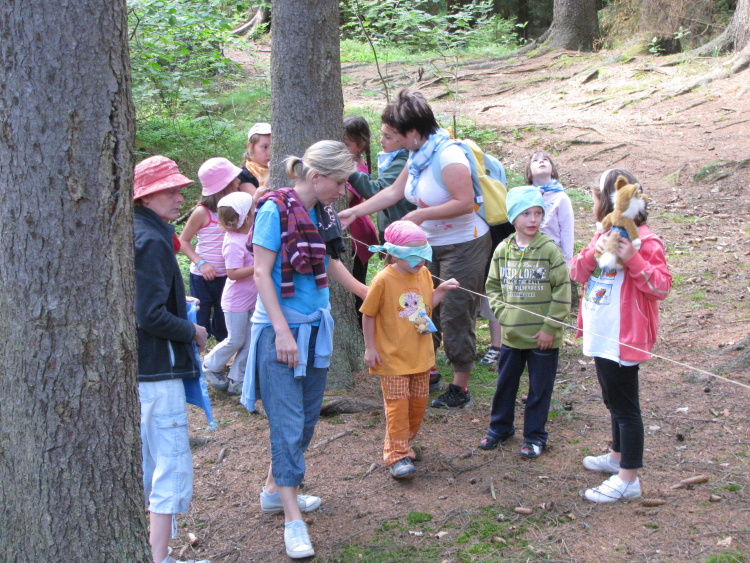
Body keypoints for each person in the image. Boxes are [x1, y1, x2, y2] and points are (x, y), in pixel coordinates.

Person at [240, 141, 367, 559]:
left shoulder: (321, 213)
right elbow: (261, 273)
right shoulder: (274, 210)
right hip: (280, 332)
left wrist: (367, 293)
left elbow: (329, 262)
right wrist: (281, 332)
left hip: (315, 330)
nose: (343, 191)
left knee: (307, 420)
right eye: (340, 182)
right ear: (315, 177)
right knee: (288, 424)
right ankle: (292, 520)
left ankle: (274, 492)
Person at [340, 88, 491, 409]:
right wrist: (354, 212)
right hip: (426, 246)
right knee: (418, 307)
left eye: (392, 134)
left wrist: (422, 214)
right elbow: (393, 192)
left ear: (412, 132)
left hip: (463, 244)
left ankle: (460, 385)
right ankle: (425, 366)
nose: (388, 139)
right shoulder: (418, 155)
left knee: (454, 313)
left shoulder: (448, 156)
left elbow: (466, 203)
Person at [569, 168, 671, 502]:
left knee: (626, 409)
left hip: (624, 338)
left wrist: (634, 259)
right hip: (600, 334)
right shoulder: (602, 233)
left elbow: (661, 287)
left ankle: (629, 479)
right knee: (611, 399)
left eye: (595, 198)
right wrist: (593, 251)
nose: (592, 204)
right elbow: (576, 272)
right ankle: (616, 456)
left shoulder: (646, 241)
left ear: (610, 202)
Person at [133, 155, 209, 563]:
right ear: (145, 196)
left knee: (154, 464)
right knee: (170, 467)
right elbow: (148, 314)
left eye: (180, 189)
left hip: (146, 371)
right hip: (158, 372)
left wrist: (181, 304)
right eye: (170, 190)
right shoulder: (151, 239)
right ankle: (158, 558)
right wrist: (192, 330)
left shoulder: (141, 231)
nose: (180, 197)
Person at [360, 221, 459, 479]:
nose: (418, 260)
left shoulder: (424, 273)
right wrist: (370, 348)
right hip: (392, 358)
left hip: (421, 356)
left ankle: (403, 444)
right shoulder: (384, 279)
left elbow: (424, 307)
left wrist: (441, 290)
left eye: (422, 253)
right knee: (397, 407)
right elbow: (368, 314)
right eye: (410, 254)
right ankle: (397, 455)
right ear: (394, 253)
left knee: (417, 405)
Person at [480, 187, 571, 459]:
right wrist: (504, 316)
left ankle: (534, 436)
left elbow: (562, 291)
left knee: (539, 389)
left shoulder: (549, 250)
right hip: (511, 336)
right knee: (505, 384)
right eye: (526, 213)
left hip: (543, 339)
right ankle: (500, 428)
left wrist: (549, 328)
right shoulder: (502, 249)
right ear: (512, 217)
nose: (533, 219)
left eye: (538, 213)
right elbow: (492, 286)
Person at [179, 157, 242, 344]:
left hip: (227, 277)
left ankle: (219, 357)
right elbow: (183, 241)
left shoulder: (234, 211)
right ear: (224, 185)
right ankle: (197, 354)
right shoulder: (202, 212)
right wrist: (201, 263)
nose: (239, 181)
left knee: (224, 322)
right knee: (200, 320)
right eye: (234, 179)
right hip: (202, 277)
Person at [201, 192, 258, 395]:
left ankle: (237, 379)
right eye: (252, 210)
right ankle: (210, 365)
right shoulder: (234, 242)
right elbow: (232, 273)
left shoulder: (248, 234)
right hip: (236, 302)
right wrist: (259, 266)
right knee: (235, 340)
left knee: (250, 341)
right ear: (246, 217)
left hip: (252, 299)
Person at [347, 119, 413, 240]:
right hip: (394, 229)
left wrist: (348, 172)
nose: (381, 140)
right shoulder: (394, 159)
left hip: (401, 233)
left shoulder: (402, 163)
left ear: (403, 138)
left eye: (387, 137)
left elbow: (378, 191)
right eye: (382, 135)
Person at [343, 116, 379, 314]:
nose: (341, 149)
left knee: (356, 286)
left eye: (346, 144)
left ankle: (361, 323)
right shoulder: (351, 162)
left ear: (361, 145)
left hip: (356, 235)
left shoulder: (356, 168)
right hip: (355, 229)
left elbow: (345, 199)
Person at [526, 151, 575, 264]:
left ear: (552, 170)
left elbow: (567, 230)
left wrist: (567, 260)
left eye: (545, 159)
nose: (541, 161)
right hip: (529, 256)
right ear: (529, 171)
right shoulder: (526, 197)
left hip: (553, 257)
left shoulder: (561, 197)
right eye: (535, 160)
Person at [238, 122, 271, 194]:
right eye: (264, 147)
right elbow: (256, 200)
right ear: (250, 147)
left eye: (273, 147)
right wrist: (271, 173)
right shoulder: (243, 175)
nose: (270, 152)